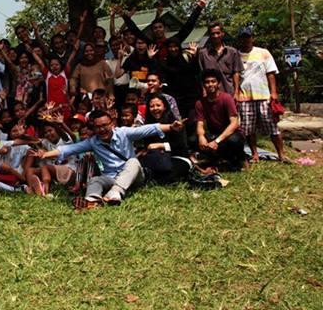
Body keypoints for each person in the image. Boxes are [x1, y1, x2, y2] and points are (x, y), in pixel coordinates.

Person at [36, 110, 184, 209]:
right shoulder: (93, 142)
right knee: (95, 180)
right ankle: (92, 201)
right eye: (98, 127)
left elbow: (148, 129)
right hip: (111, 177)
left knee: (133, 162)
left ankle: (115, 193)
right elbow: (68, 149)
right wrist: (44, 155)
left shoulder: (124, 133)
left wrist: (171, 126)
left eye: (105, 125)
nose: (102, 130)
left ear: (112, 124)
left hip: (133, 177)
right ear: (94, 129)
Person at [237, 27, 286, 162]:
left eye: (248, 37)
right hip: (245, 97)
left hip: (264, 95)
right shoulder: (236, 55)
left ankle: (281, 154)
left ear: (252, 38)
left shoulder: (263, 52)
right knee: (248, 128)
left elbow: (271, 73)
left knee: (272, 126)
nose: (246, 40)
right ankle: (255, 154)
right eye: (243, 37)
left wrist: (274, 92)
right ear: (240, 39)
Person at [120, 0, 206, 61]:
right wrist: (123, 15)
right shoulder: (151, 44)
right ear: (152, 30)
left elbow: (187, 27)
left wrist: (199, 8)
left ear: (164, 29)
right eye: (155, 28)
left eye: (160, 27)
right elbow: (136, 31)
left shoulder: (174, 41)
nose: (158, 30)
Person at [194, 69, 246, 171]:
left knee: (234, 140)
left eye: (213, 81)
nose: (210, 84)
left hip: (231, 133)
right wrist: (201, 137)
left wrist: (217, 141)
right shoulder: (200, 103)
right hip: (214, 133)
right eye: (207, 82)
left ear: (218, 83)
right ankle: (216, 160)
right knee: (194, 140)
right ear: (203, 85)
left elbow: (234, 123)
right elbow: (199, 124)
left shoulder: (226, 98)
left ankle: (241, 159)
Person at [197, 22, 243, 97]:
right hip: (210, 95)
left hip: (229, 93)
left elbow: (236, 73)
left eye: (218, 33)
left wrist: (236, 92)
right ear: (209, 35)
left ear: (222, 33)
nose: (215, 36)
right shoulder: (203, 53)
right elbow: (201, 74)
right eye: (213, 33)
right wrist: (203, 90)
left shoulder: (232, 52)